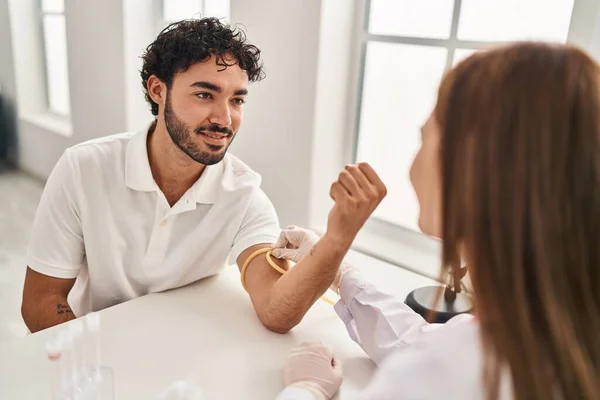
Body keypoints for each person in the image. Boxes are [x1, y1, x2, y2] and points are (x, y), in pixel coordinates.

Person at [275, 42, 600, 400]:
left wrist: (304, 390)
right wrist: (340, 273)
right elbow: (427, 344)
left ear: (469, 170)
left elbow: (438, 365)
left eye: (424, 137)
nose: (412, 166)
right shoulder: (560, 324)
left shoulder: (447, 372)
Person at [20, 18, 387, 334]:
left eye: (237, 100)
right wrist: (99, 366)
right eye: (204, 94)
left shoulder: (245, 195)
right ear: (158, 90)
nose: (224, 118)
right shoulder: (83, 168)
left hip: (191, 356)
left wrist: (337, 240)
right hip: (98, 354)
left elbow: (277, 311)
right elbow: (41, 300)